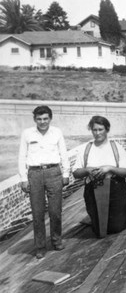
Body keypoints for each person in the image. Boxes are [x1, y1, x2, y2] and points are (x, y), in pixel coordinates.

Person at [18, 105, 70, 259]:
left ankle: (56, 239)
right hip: (34, 174)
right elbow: (22, 157)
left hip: (54, 172)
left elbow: (64, 153)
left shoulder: (57, 132)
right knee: (37, 212)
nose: (42, 122)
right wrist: (23, 178)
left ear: (50, 118)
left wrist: (66, 173)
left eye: (45, 118)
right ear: (35, 119)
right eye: (39, 119)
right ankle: (40, 246)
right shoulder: (27, 134)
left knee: (55, 211)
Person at [73, 116, 126, 238]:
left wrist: (110, 168)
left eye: (101, 129)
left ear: (107, 130)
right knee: (99, 229)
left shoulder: (116, 147)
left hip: (114, 188)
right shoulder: (86, 148)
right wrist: (87, 170)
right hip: (93, 188)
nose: (97, 133)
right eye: (94, 130)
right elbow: (76, 173)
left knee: (116, 227)